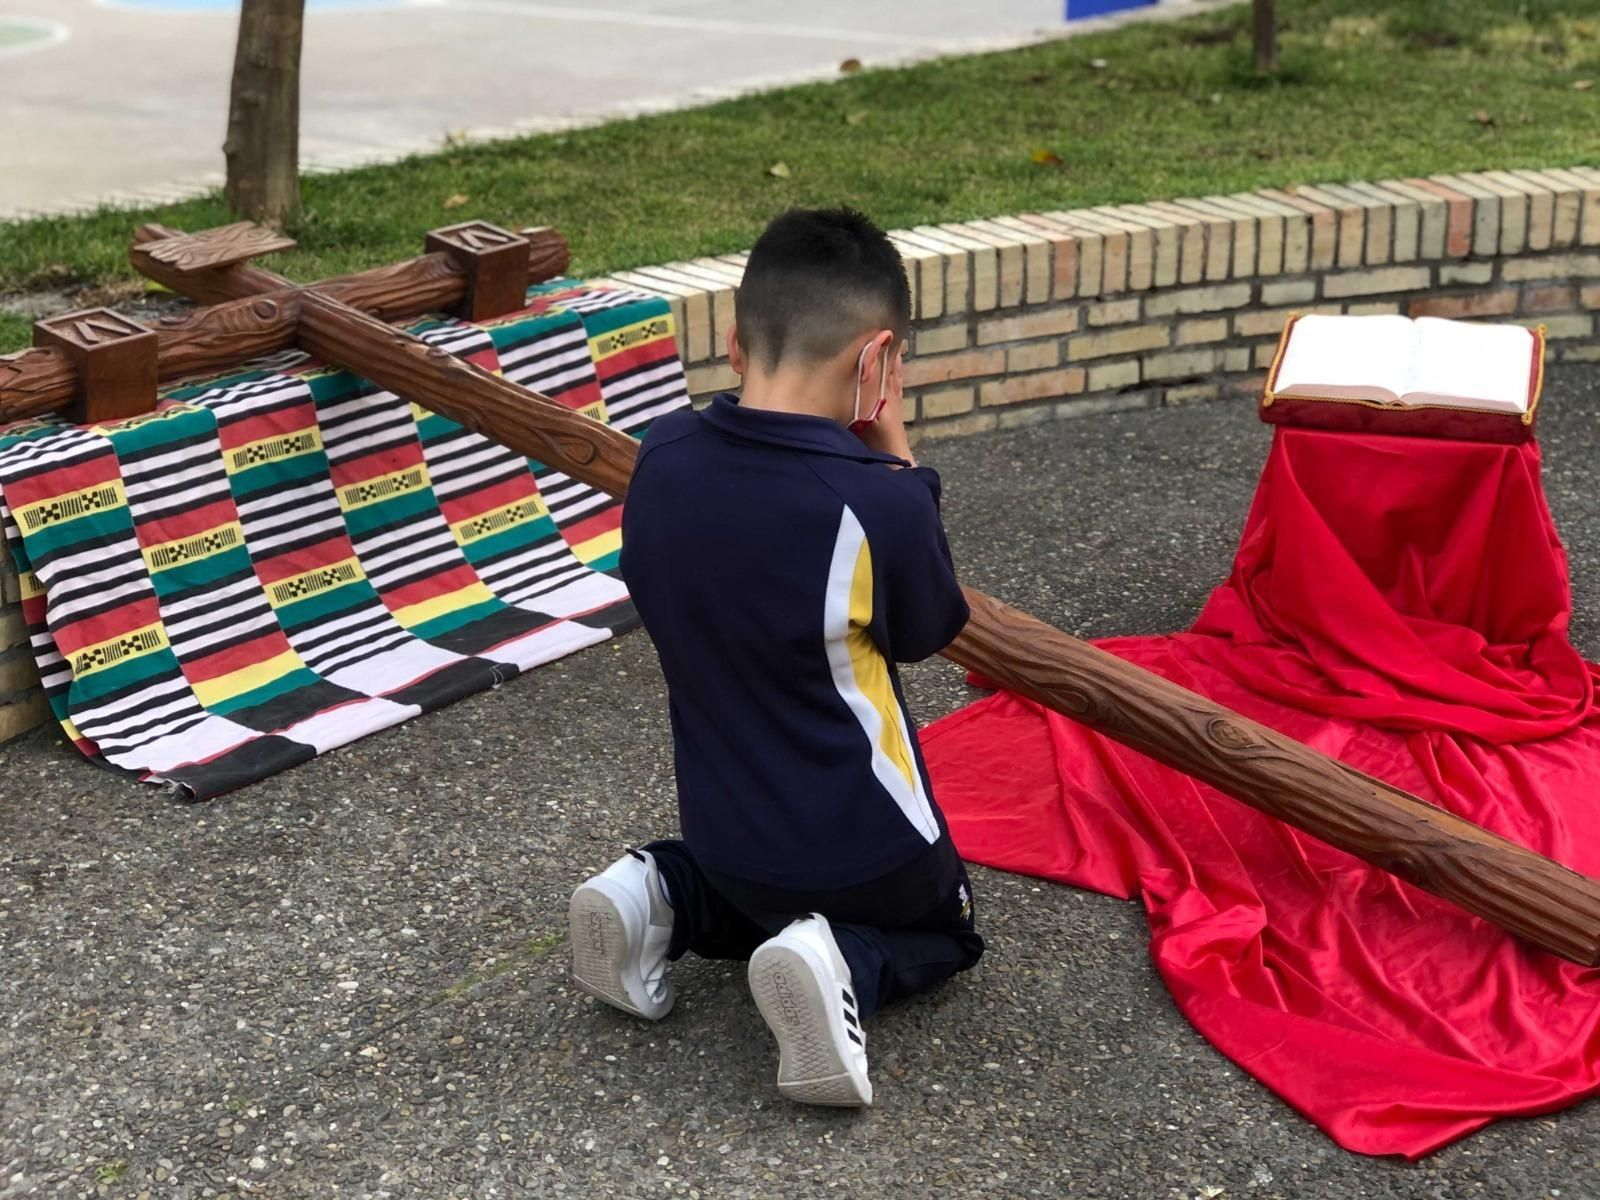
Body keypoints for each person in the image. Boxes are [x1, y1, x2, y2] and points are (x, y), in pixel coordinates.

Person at [568, 207, 983, 1108]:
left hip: (725, 837)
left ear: (733, 342)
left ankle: (657, 890)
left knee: (746, 889)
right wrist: (903, 461)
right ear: (878, 364)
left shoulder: (664, 460)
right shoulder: (875, 503)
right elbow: (927, 629)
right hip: (873, 849)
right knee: (951, 934)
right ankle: (845, 960)